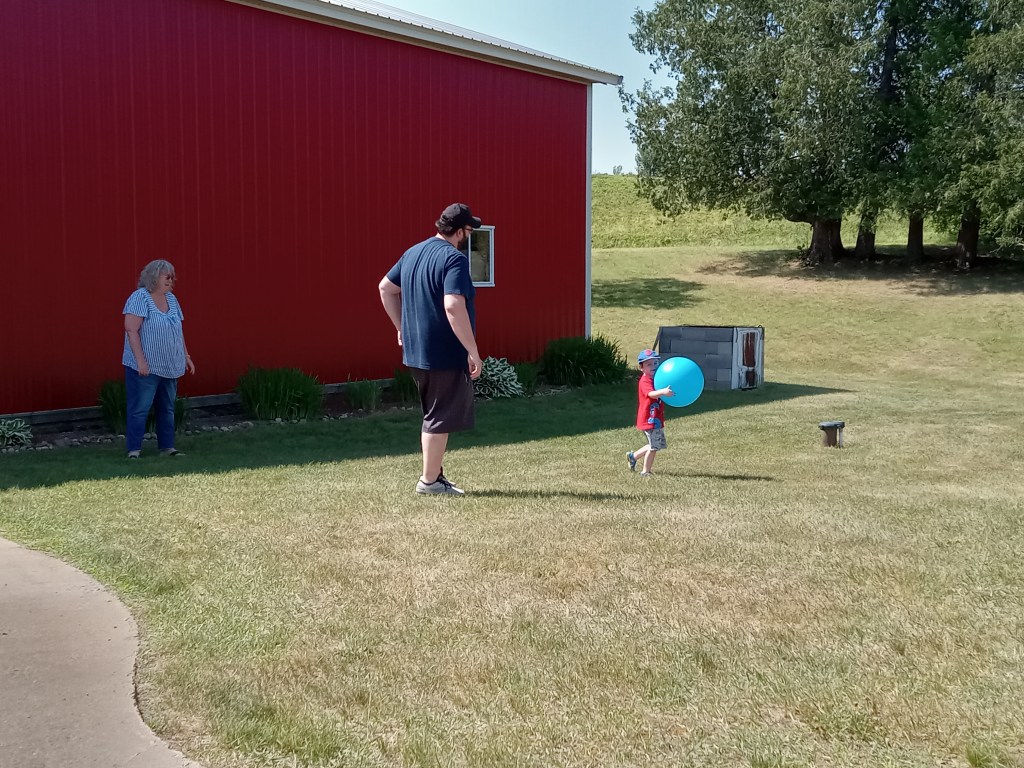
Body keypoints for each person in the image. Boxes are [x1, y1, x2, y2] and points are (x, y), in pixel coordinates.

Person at [378, 203, 483, 496]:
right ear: (459, 231)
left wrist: (401, 327)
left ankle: (434, 475)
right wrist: (472, 350)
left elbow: (385, 288)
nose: (469, 236)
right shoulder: (454, 259)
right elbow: (453, 305)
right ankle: (429, 482)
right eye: (469, 231)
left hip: (416, 351)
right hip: (442, 351)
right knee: (439, 417)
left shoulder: (412, 253)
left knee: (434, 414)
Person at [122, 259, 195, 459]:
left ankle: (167, 448)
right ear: (154, 277)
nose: (171, 281)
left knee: (167, 408)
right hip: (145, 367)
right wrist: (141, 361)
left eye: (173, 277)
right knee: (140, 408)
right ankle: (134, 450)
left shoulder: (172, 299)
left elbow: (178, 330)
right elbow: (131, 331)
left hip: (169, 365)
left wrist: (186, 356)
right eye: (167, 277)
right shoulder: (140, 298)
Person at [627, 349, 674, 477]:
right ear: (641, 368)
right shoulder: (645, 381)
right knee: (654, 447)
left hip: (656, 418)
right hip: (649, 419)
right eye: (649, 364)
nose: (653, 366)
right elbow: (651, 394)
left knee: (655, 444)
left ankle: (633, 456)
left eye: (655, 363)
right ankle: (645, 471)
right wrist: (663, 392)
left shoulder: (657, 378)